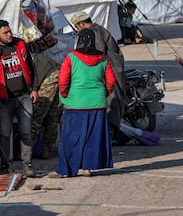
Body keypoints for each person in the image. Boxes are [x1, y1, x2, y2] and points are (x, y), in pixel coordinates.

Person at [49, 28, 116, 178]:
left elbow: (63, 80)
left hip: (75, 103)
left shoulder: (71, 58)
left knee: (70, 138)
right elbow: (111, 81)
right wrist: (103, 94)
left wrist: (65, 95)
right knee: (92, 137)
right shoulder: (103, 58)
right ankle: (87, 168)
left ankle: (65, 170)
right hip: (97, 103)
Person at [0, 19, 39, 177]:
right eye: (6, 32)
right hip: (4, 101)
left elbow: (32, 67)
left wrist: (35, 89)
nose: (10, 34)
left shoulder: (20, 45)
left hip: (24, 96)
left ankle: (27, 166)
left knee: (26, 133)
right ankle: (4, 166)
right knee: (5, 134)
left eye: (10, 31)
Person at [69, 11, 126, 142]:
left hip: (109, 76)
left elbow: (95, 58)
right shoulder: (99, 30)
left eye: (77, 28)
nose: (77, 31)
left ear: (82, 24)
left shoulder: (94, 33)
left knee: (109, 109)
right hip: (111, 73)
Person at [30, 51, 62, 160]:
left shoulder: (22, 57)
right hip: (55, 73)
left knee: (38, 115)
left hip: (50, 76)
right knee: (52, 116)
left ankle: (27, 150)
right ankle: (47, 149)